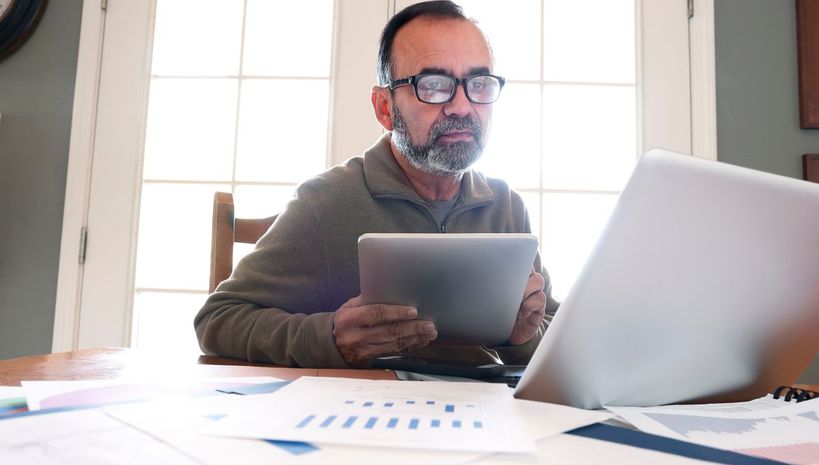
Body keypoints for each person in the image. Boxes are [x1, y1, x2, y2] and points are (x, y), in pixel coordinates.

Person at [195, 0, 559, 368]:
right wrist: (331, 337)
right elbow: (217, 320)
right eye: (433, 86)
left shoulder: (505, 206)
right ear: (384, 107)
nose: (463, 106)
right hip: (366, 416)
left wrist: (523, 339)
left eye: (479, 84)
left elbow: (555, 333)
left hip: (485, 419)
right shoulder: (327, 203)